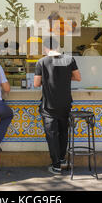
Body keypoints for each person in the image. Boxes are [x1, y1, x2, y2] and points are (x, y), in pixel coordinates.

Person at [34, 37, 81, 175]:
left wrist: (47, 80)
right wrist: (65, 78)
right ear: (58, 47)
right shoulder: (69, 59)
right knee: (63, 132)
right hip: (65, 104)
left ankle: (56, 166)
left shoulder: (41, 62)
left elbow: (36, 83)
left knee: (52, 135)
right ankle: (62, 159)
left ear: (45, 48)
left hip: (49, 105)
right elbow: (78, 77)